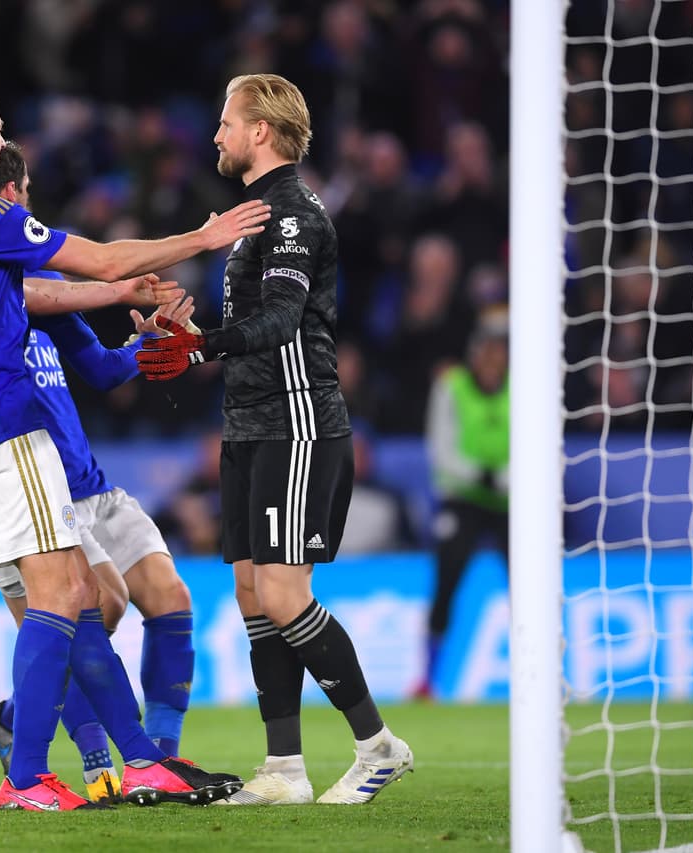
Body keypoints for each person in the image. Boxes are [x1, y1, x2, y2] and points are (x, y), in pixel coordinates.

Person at [0, 76, 267, 811]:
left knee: (80, 594)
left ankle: (141, 758)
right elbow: (105, 260)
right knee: (67, 596)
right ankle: (25, 774)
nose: (0, 141)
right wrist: (205, 238)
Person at [136, 73, 414, 806]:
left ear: (262, 130)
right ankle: (284, 768)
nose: (219, 133)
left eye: (228, 121)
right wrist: (181, 328)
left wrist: (202, 348)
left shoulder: (292, 216)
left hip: (298, 421)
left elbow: (284, 321)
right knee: (254, 591)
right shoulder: (253, 217)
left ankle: (378, 745)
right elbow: (245, 333)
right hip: (251, 422)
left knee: (286, 593)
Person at [0, 143, 197, 804]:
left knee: (169, 597)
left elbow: (100, 369)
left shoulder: (45, 307)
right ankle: (57, 734)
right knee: (97, 604)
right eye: (28, 190)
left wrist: (147, 344)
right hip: (38, 496)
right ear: (12, 195)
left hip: (93, 483)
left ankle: (162, 755)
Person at [417, 307, 509, 699]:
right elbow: (440, 450)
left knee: (532, 587)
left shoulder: (525, 386)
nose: (492, 359)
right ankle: (428, 678)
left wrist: (504, 479)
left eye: (499, 351)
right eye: (486, 350)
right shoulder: (451, 386)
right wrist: (481, 475)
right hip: (464, 497)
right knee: (446, 583)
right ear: (475, 353)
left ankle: (543, 668)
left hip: (511, 500)